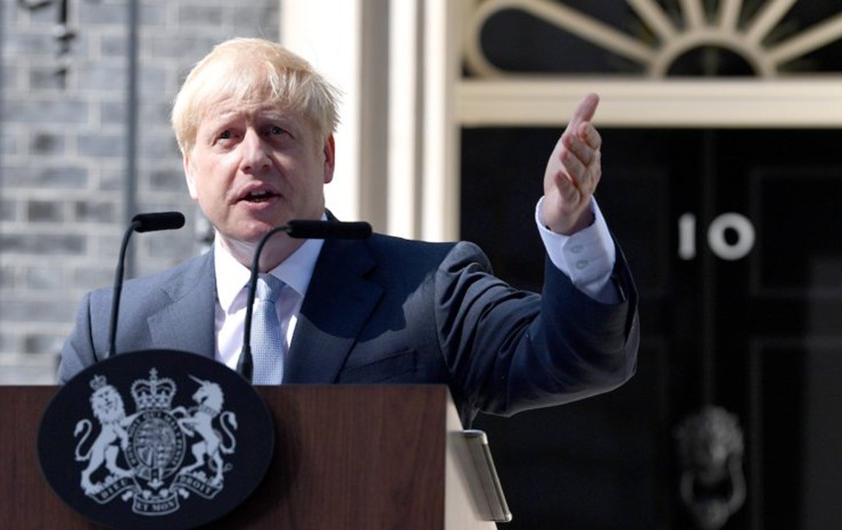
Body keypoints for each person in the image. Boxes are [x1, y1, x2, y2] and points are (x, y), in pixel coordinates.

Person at [58, 37, 639, 426]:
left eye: (277, 132)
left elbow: (579, 360)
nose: (253, 157)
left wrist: (572, 228)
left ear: (327, 157)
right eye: (226, 137)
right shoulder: (116, 326)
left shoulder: (430, 291)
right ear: (191, 170)